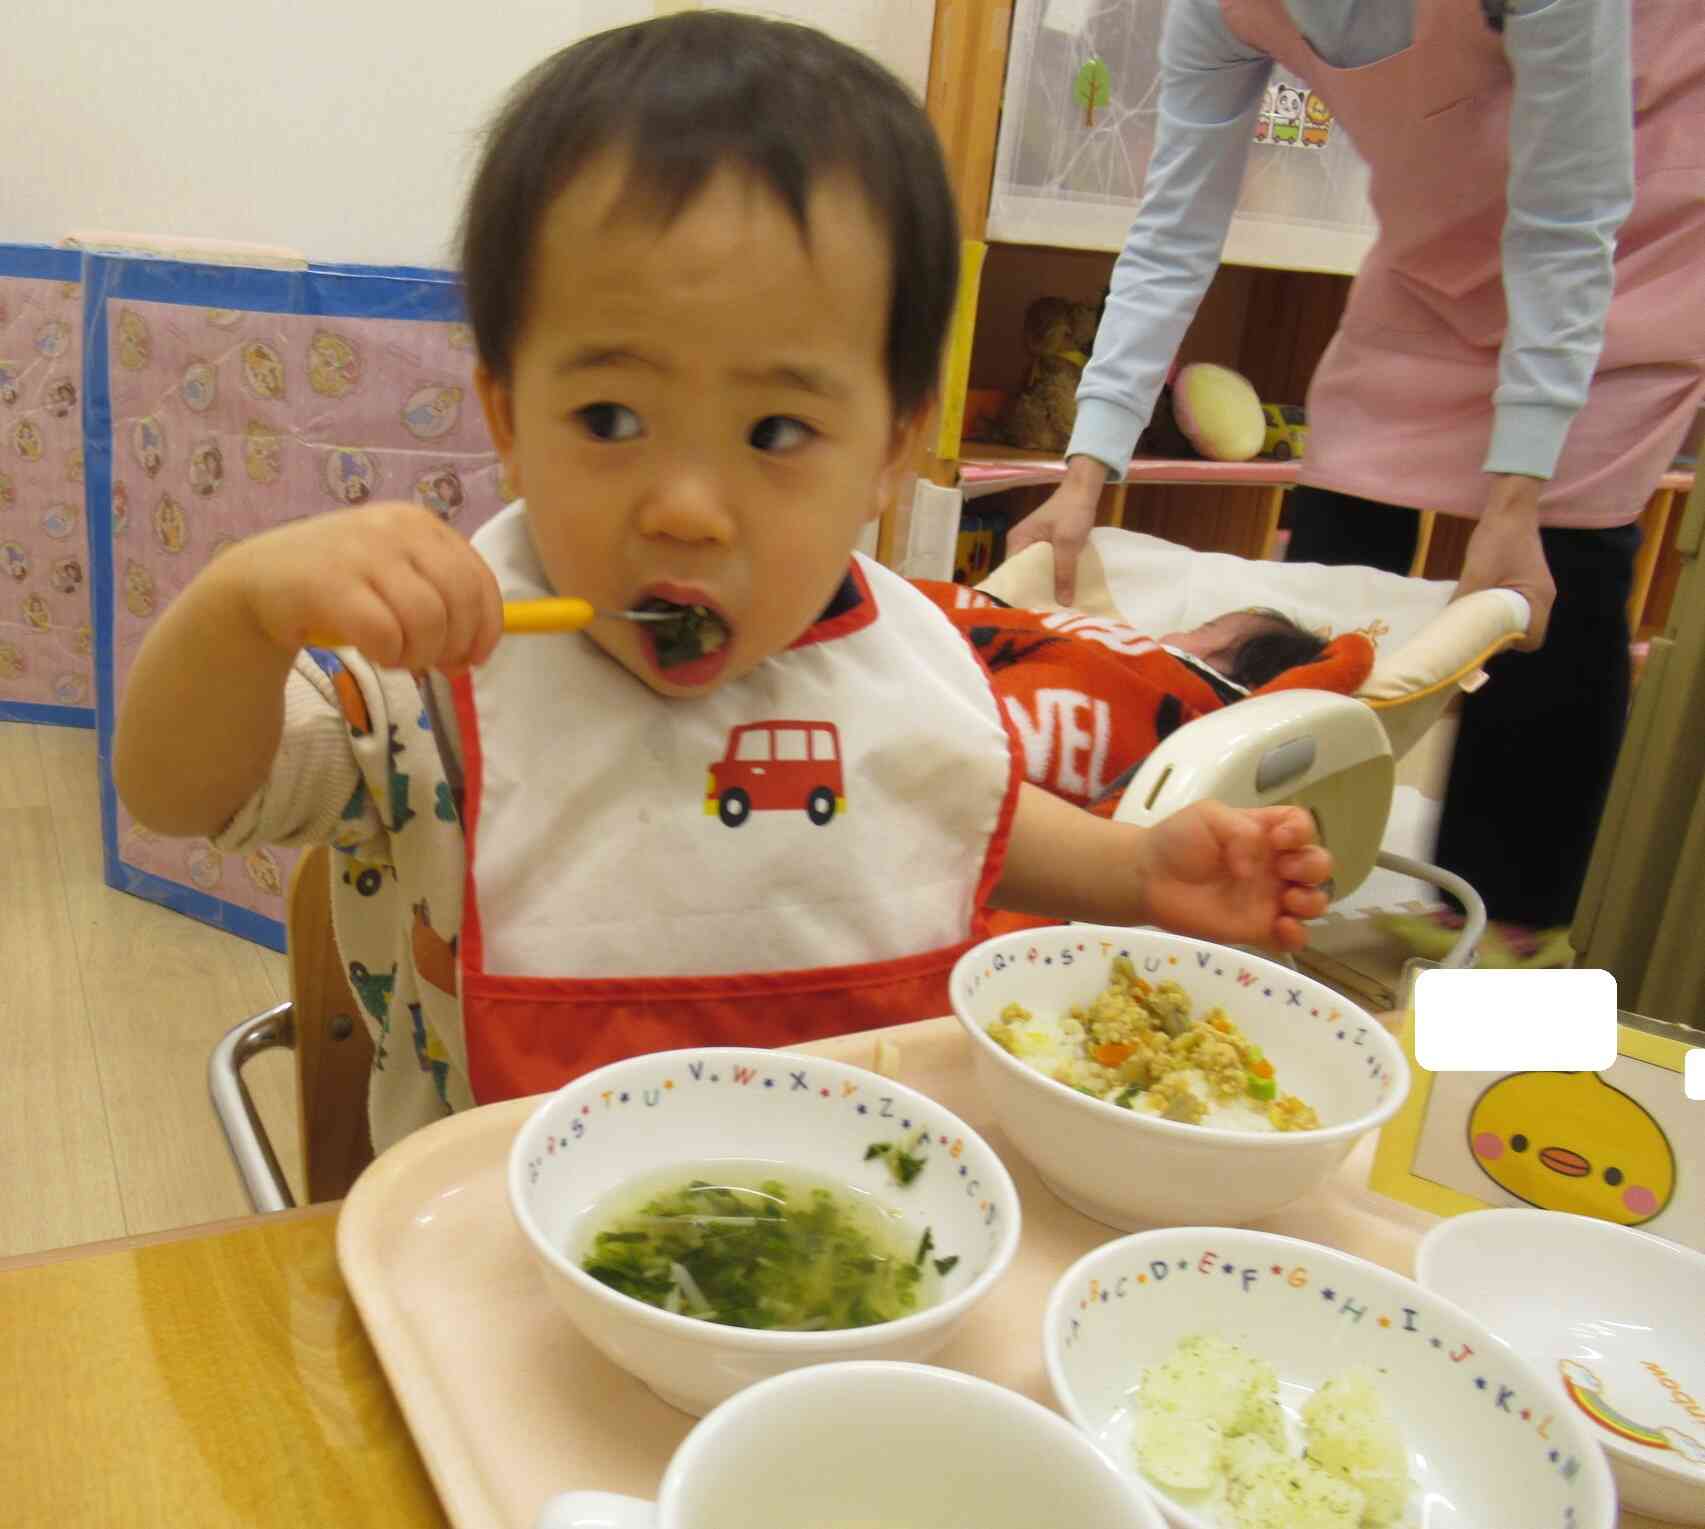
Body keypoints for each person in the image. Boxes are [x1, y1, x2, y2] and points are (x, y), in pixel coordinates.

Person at [112, 14, 1332, 1152]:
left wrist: (1137, 872)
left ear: (891, 448)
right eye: (607, 413)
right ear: (506, 415)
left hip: (865, 1223)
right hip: (499, 1258)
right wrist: (241, 607)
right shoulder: (439, 668)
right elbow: (179, 790)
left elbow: (956, 808)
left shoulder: (906, 651)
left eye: (776, 431)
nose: (686, 507)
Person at [1006, 0, 1704, 957]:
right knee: (1339, 512)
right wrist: (1083, 473)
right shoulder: (1217, 10)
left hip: (1625, 216)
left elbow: (1564, 222)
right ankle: (1298, 867)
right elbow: (1171, 232)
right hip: (1434, 236)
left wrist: (1516, 500)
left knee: (1553, 557)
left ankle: (1512, 925)